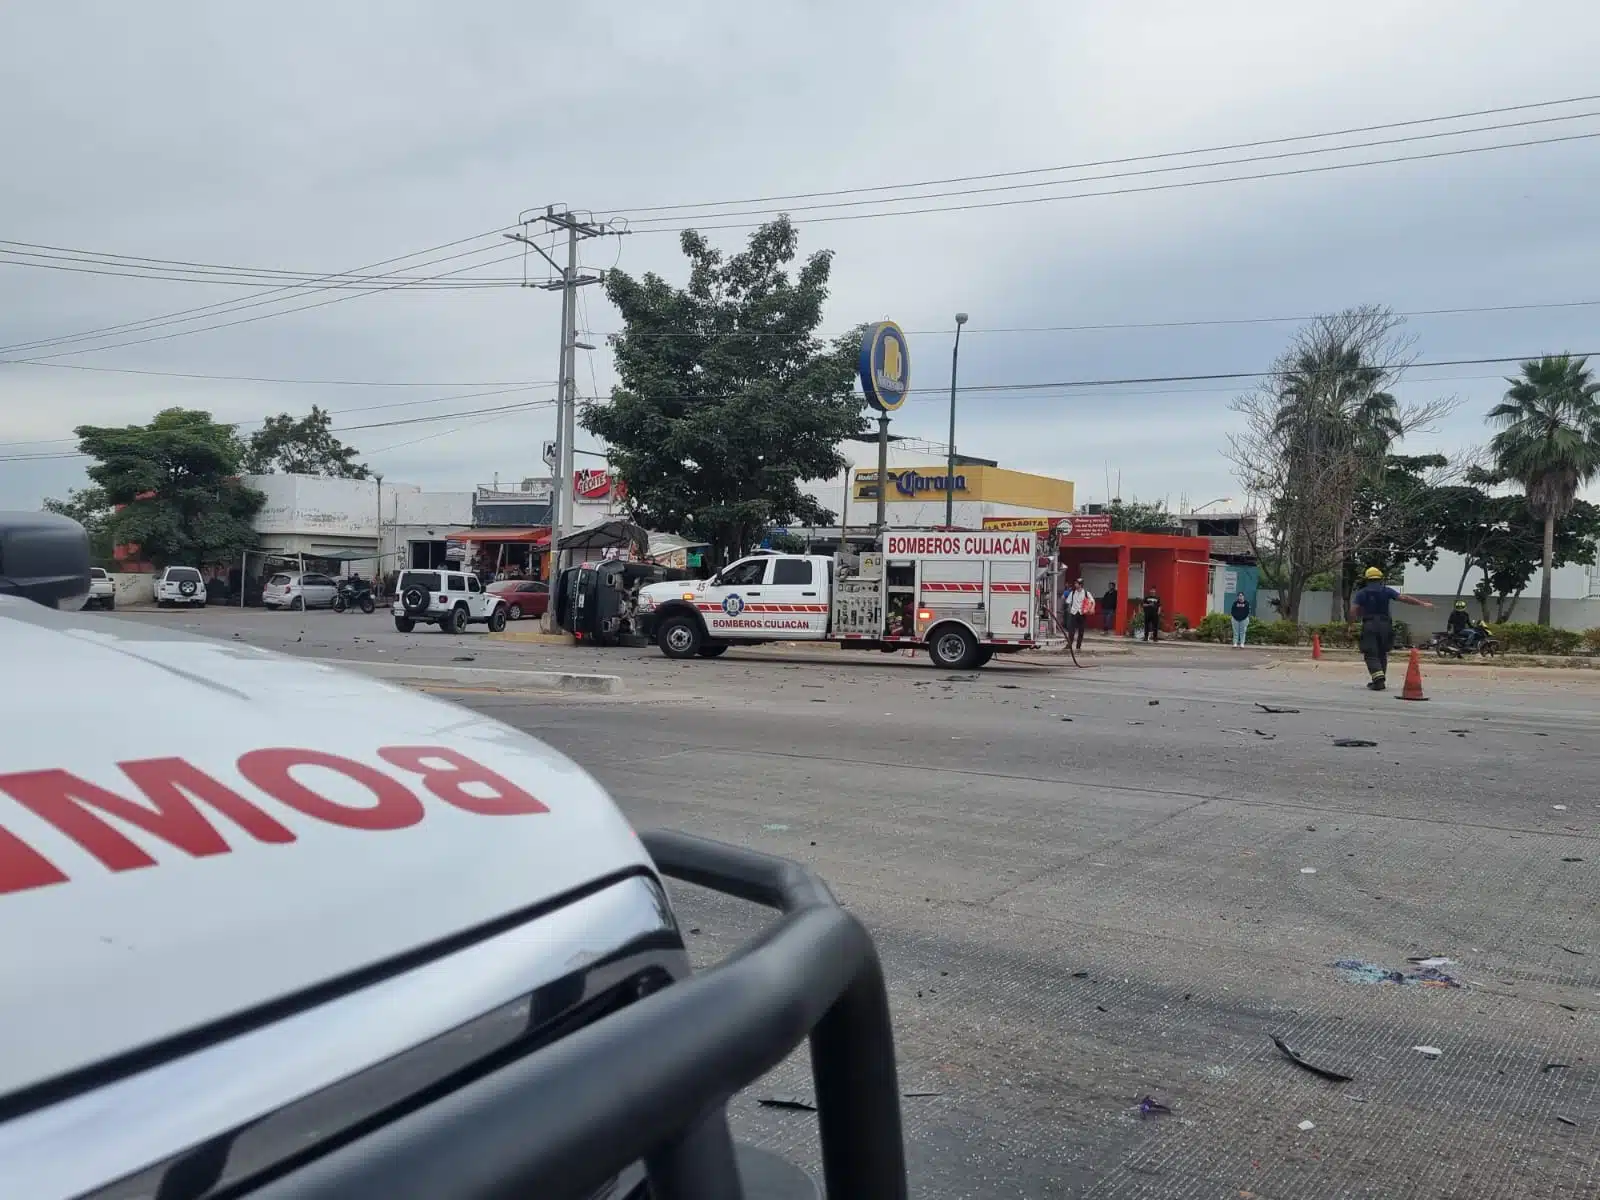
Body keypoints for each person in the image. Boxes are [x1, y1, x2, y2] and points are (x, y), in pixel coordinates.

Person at [1349, 566, 1433, 690]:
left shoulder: (1362, 593)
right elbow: (1403, 598)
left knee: (1371, 653)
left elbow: (1353, 610)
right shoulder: (1386, 591)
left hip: (1370, 625)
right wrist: (1422, 603)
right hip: (1385, 625)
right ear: (1381, 579)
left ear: (1367, 580)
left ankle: (1378, 679)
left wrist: (1351, 625)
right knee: (1382, 653)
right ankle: (1379, 680)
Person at [1062, 577, 1090, 651]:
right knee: (1071, 631)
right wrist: (1069, 609)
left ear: (1080, 585)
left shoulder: (1086, 593)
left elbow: (1092, 601)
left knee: (1081, 631)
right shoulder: (1073, 593)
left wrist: (1089, 608)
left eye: (1076, 583)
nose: (1075, 584)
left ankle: (1078, 647)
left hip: (1082, 614)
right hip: (1073, 613)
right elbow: (1068, 602)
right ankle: (1069, 645)